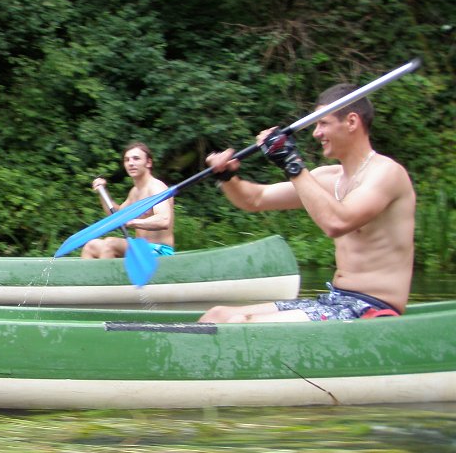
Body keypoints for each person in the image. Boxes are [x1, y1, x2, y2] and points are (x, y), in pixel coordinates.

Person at [200, 83, 415, 323]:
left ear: (352, 122)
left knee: (240, 324)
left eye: (323, 123)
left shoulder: (386, 173)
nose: (316, 133)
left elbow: (337, 222)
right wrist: (227, 177)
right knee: (216, 315)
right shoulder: (328, 177)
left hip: (371, 308)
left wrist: (291, 163)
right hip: (336, 300)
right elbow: (255, 199)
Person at [81, 142, 175, 259]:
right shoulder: (135, 192)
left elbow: (164, 220)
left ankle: (108, 272)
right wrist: (102, 192)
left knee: (110, 243)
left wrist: (132, 222)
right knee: (91, 246)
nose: (131, 163)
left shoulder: (156, 187)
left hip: (160, 251)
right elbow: (116, 215)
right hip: (140, 248)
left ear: (148, 163)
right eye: (127, 160)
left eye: (136, 158)